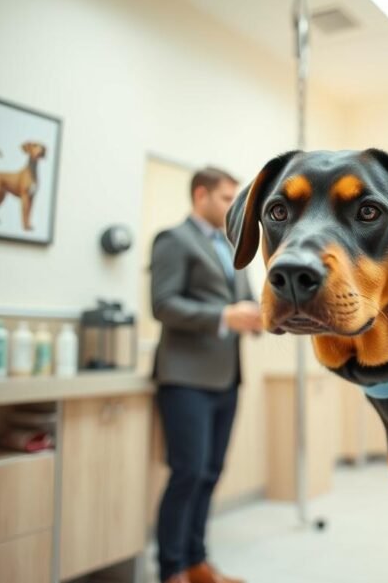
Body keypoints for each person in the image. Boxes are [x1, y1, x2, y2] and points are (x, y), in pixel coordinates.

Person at [150, 167, 262, 583]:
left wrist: (261, 314)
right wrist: (223, 316)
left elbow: (244, 300)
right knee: (188, 473)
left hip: (226, 377)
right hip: (185, 379)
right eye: (227, 198)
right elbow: (163, 304)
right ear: (201, 196)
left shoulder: (234, 246)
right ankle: (171, 569)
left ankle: (197, 561)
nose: (234, 206)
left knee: (211, 472)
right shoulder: (174, 240)